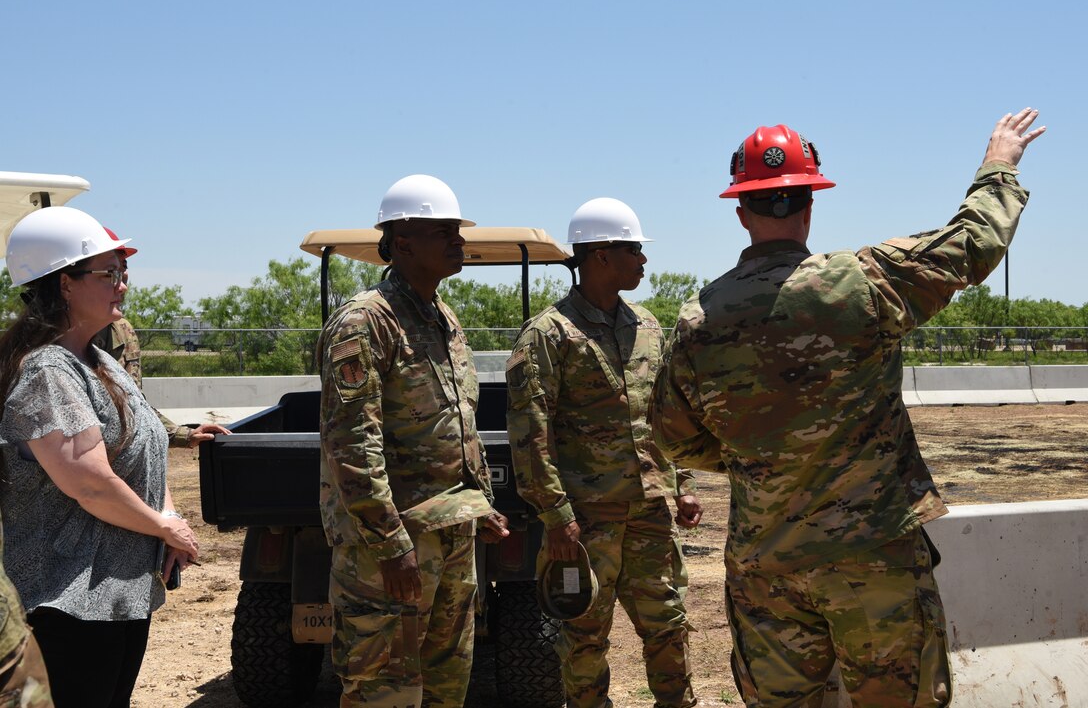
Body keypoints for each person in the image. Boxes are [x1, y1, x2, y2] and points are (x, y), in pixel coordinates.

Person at [650, 109, 1045, 708]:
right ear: (811, 204)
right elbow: (973, 245)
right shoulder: (862, 282)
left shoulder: (698, 320)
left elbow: (674, 438)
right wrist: (998, 167)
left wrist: (763, 457)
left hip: (766, 566)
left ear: (741, 212)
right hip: (873, 559)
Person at [318, 174, 510, 708]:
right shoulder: (366, 322)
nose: (459, 242)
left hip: (450, 531)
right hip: (393, 545)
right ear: (402, 242)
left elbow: (458, 423)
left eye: (458, 231)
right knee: (383, 691)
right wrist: (390, 542)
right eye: (443, 231)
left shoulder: (442, 317)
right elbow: (353, 443)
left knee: (447, 687)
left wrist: (479, 503)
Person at [0, 206, 200, 708]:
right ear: (64, 283)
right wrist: (162, 528)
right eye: (108, 273)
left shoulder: (98, 359)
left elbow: (146, 444)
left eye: (124, 273)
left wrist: (167, 513)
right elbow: (87, 480)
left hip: (112, 597)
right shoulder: (49, 369)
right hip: (66, 601)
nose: (123, 285)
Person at [507, 197, 702, 708]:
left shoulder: (647, 327)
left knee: (669, 626)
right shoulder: (548, 336)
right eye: (633, 249)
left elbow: (664, 416)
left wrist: (682, 487)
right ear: (599, 255)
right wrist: (556, 517)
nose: (643, 260)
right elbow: (531, 434)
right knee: (585, 639)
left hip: (650, 515)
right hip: (584, 523)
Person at [92, 227, 229, 449]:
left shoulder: (123, 330)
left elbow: (134, 402)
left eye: (123, 268)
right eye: (110, 271)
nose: (122, 281)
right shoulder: (52, 349)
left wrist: (184, 434)